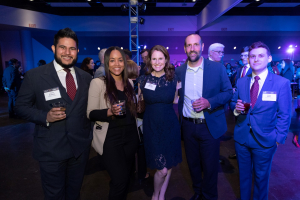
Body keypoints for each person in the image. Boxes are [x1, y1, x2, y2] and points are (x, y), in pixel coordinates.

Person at [15, 28, 92, 200]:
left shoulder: (86, 78)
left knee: (74, 193)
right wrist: (45, 116)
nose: (67, 53)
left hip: (79, 150)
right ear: (53, 48)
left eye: (72, 49)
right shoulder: (35, 76)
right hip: (51, 149)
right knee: (54, 196)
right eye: (62, 47)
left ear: (77, 51)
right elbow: (20, 107)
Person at [230, 41, 291, 200]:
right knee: (243, 178)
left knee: (261, 179)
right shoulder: (242, 81)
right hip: (242, 138)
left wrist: (277, 139)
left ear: (269, 58)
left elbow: (285, 114)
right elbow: (233, 103)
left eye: (260, 56)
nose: (256, 59)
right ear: (248, 59)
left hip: (265, 140)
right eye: (252, 56)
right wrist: (236, 109)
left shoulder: (281, 83)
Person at [176, 34, 232, 200]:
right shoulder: (179, 71)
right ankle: (198, 192)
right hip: (187, 125)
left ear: (202, 46)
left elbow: (228, 92)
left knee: (209, 166)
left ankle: (209, 196)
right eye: (188, 45)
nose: (192, 49)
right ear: (185, 48)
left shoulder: (216, 68)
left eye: (195, 45)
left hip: (209, 125)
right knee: (192, 164)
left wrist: (210, 102)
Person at [87, 46, 139, 200]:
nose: (117, 64)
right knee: (120, 180)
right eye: (112, 60)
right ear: (106, 63)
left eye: (120, 60)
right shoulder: (98, 83)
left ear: (125, 62)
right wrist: (110, 111)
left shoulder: (129, 81)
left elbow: (131, 110)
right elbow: (90, 113)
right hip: (110, 138)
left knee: (124, 180)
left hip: (130, 137)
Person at [137, 45, 182, 200]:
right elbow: (138, 103)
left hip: (170, 126)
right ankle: (155, 195)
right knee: (161, 169)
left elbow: (176, 99)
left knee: (168, 164)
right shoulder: (142, 80)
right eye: (154, 59)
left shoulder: (174, 79)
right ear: (150, 60)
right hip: (151, 127)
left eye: (160, 58)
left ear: (166, 59)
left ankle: (162, 195)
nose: (157, 62)